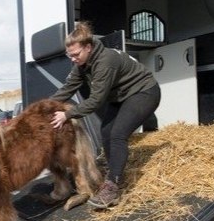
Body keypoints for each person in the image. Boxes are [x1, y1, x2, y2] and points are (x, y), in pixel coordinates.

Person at [50, 21, 161, 209]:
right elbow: (68, 88)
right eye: (70, 56)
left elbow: (96, 101)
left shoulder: (105, 61)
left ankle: (112, 187)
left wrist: (67, 115)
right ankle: (115, 174)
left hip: (144, 92)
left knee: (118, 134)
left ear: (88, 47)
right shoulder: (82, 64)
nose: (73, 59)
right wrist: (45, 107)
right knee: (106, 132)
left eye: (76, 54)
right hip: (122, 96)